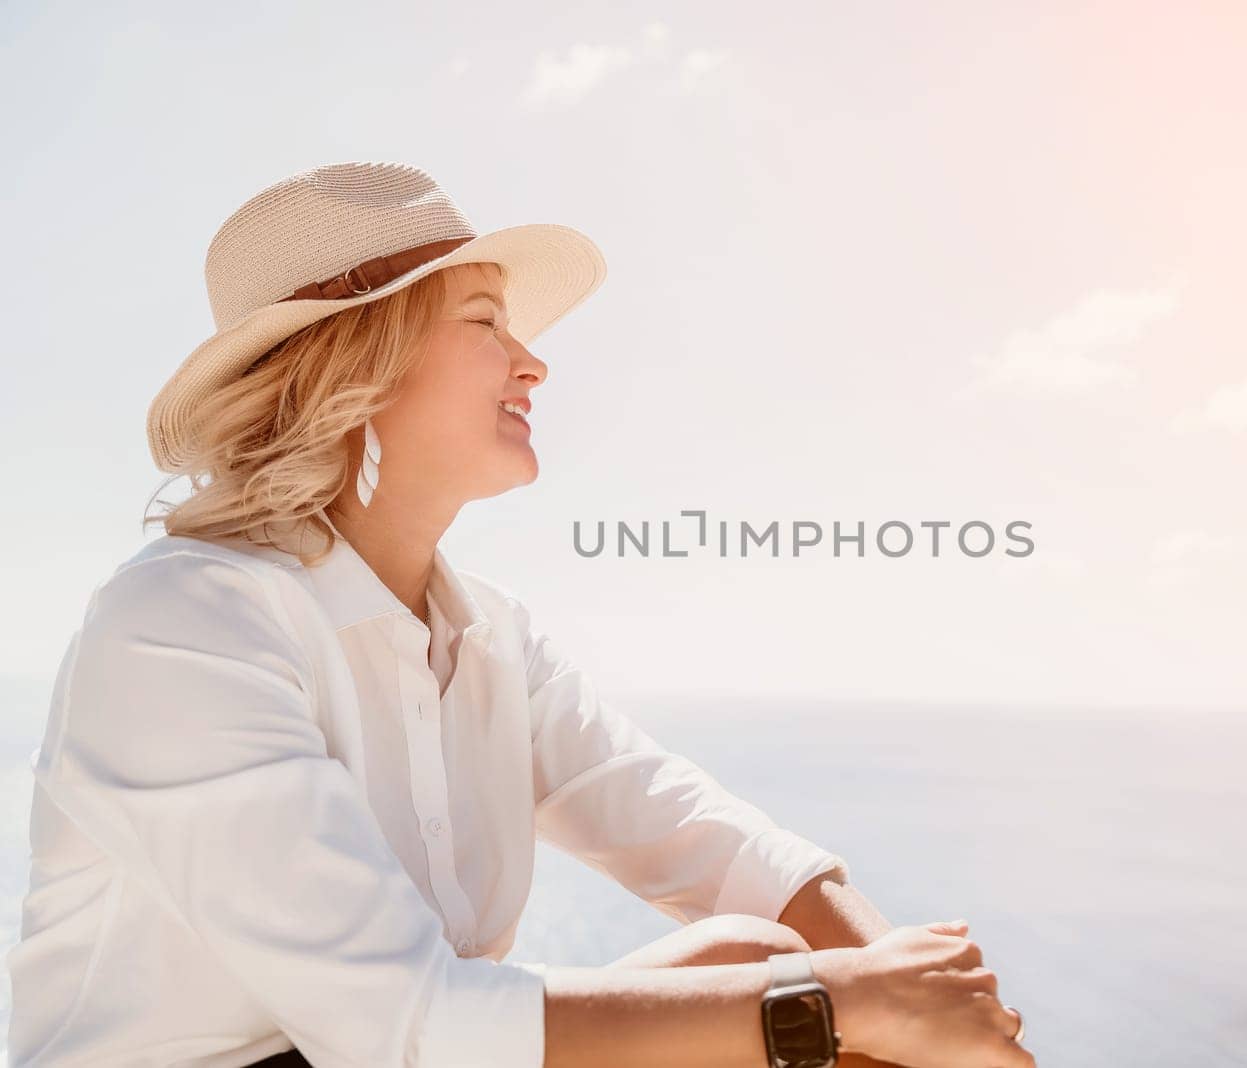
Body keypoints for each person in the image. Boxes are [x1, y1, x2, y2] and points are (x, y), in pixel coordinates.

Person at [5, 160, 1030, 1068]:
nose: (533, 363)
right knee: (796, 996)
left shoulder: (488, 635)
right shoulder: (181, 625)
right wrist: (848, 1002)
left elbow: (702, 840)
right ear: (358, 361)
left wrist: (917, 989)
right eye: (487, 322)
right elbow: (408, 1033)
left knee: (767, 957)